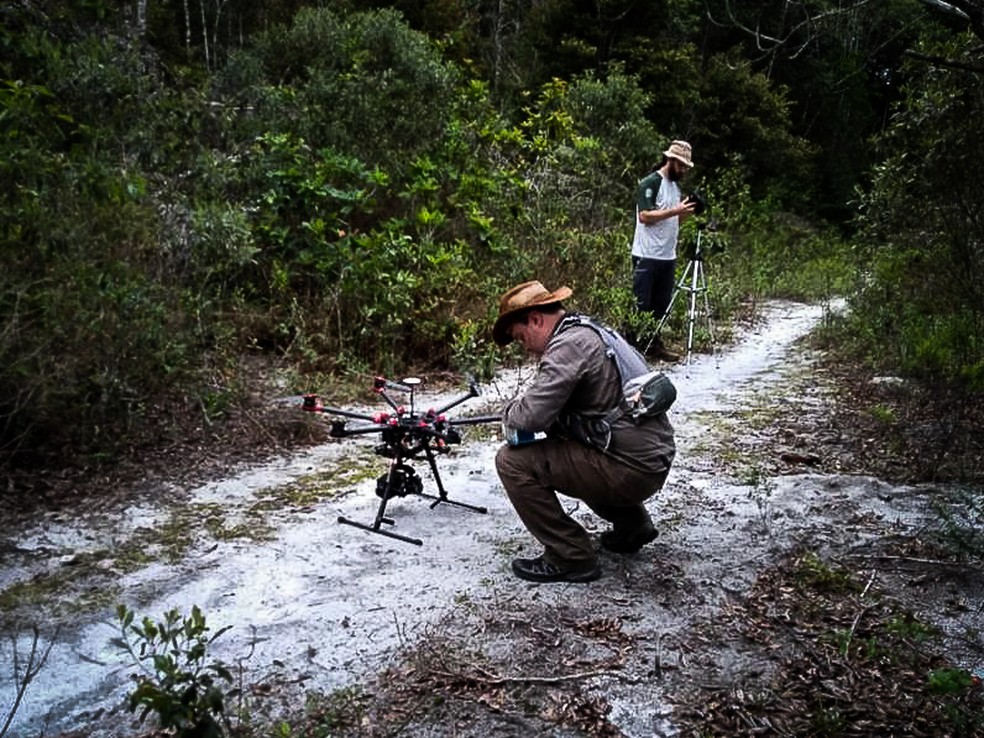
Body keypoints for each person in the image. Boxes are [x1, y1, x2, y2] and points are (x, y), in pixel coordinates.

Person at [492, 280, 676, 583]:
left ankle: (571, 557)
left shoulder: (567, 346)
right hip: (650, 457)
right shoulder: (592, 331)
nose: (524, 347)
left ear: (536, 320)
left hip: (630, 467)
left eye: (520, 337)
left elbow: (530, 418)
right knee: (574, 446)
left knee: (511, 461)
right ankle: (632, 527)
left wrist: (509, 410)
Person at [630, 140, 698, 361]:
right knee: (640, 304)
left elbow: (673, 220)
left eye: (686, 167)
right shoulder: (650, 183)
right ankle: (632, 348)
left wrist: (685, 211)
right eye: (681, 166)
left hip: (667, 255)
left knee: (661, 304)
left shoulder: (675, 187)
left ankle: (654, 345)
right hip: (646, 254)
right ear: (671, 160)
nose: (684, 171)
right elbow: (645, 216)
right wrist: (674, 210)